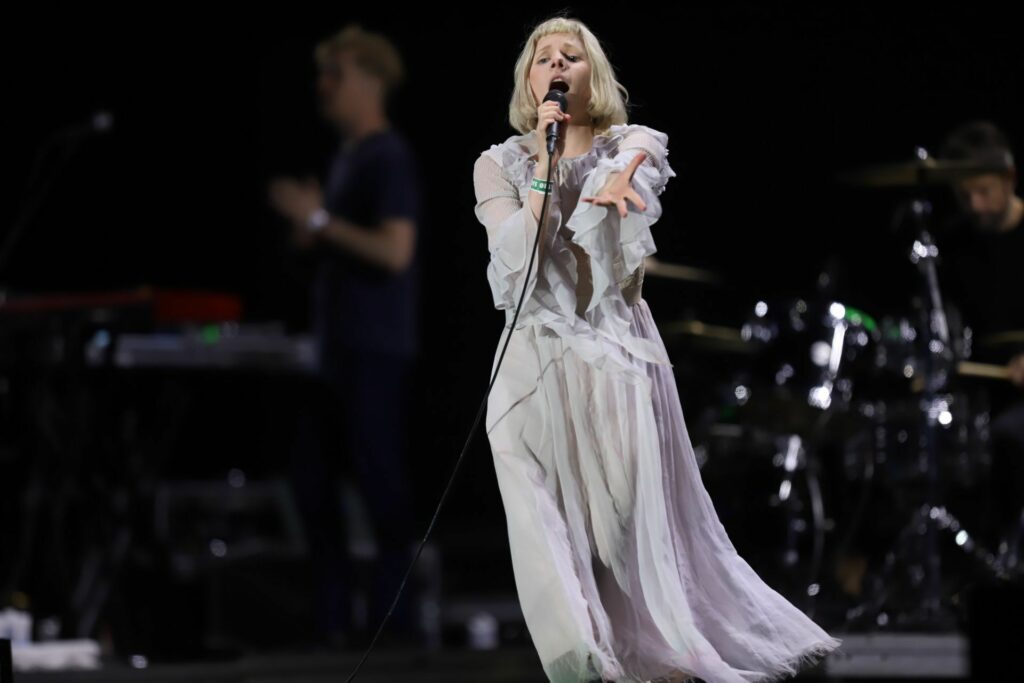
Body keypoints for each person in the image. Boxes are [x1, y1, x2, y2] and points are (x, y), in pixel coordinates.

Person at [472, 15, 842, 683]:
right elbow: (517, 260)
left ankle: (656, 658)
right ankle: (580, 663)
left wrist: (620, 173)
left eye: (571, 56)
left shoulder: (627, 148)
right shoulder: (497, 165)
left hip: (612, 352)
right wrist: (545, 173)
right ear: (528, 81)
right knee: (537, 516)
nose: (557, 66)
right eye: (544, 58)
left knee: (623, 527)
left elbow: (641, 147)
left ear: (594, 76)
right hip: (531, 358)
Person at [267, 24, 422, 647]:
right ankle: (333, 625)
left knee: (380, 487)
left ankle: (395, 629)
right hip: (334, 352)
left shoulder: (388, 156)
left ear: (370, 80)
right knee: (312, 485)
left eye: (336, 73)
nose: (323, 86)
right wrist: (311, 231)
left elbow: (395, 250)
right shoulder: (346, 159)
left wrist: (320, 220)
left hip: (375, 349)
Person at [938, 120, 1024, 552]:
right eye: (964, 194)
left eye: (984, 191)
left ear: (1010, 178)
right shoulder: (954, 245)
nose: (975, 205)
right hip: (978, 396)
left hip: (1016, 404)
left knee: (1009, 436)